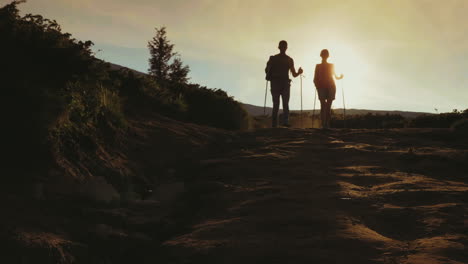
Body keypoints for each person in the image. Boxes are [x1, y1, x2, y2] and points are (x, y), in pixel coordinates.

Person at [265, 40, 303, 128]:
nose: (283, 48)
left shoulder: (274, 58)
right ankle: (284, 122)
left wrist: (299, 72)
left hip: (277, 83)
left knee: (277, 104)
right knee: (283, 103)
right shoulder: (288, 60)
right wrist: (299, 72)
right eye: (283, 46)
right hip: (283, 83)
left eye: (283, 46)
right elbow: (294, 74)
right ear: (285, 48)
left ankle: (276, 124)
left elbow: (266, 71)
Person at [313, 49, 343, 129]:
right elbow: (315, 78)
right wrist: (317, 86)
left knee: (326, 106)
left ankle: (326, 124)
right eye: (324, 54)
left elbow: (336, 77)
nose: (325, 56)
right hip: (324, 86)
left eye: (325, 54)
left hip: (329, 86)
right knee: (324, 106)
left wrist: (340, 77)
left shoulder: (329, 65)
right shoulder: (319, 66)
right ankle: (324, 124)